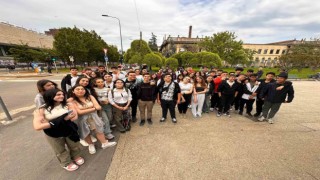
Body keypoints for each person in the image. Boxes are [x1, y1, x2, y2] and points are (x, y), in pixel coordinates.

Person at [33, 88, 82, 171]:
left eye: (62, 94)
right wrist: (65, 118)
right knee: (60, 150)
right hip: (53, 133)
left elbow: (74, 117)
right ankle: (66, 162)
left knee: (74, 145)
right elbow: (38, 126)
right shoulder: (42, 109)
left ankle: (76, 156)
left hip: (69, 130)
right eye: (58, 94)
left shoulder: (68, 104)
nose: (62, 96)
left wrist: (52, 123)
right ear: (50, 96)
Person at [71, 85, 117, 154]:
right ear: (73, 91)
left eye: (82, 89)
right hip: (81, 119)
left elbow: (98, 107)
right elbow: (79, 112)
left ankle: (104, 143)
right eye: (77, 89)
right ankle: (91, 144)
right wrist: (92, 108)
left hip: (94, 117)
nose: (80, 91)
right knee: (85, 132)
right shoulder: (72, 100)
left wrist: (84, 109)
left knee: (99, 130)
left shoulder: (90, 97)